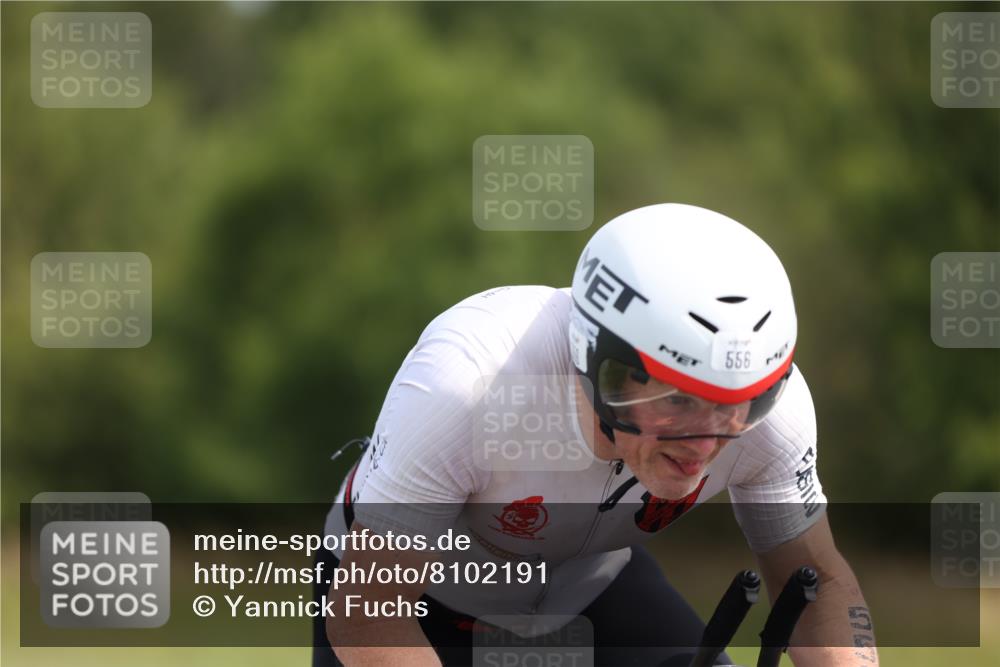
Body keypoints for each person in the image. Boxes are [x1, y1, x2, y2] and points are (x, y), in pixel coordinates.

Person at [312, 203, 879, 666]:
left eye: (742, 404)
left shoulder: (773, 414)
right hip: (414, 609)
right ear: (598, 363)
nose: (706, 442)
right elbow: (369, 613)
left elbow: (817, 581)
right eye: (677, 399)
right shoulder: (469, 383)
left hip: (596, 589)